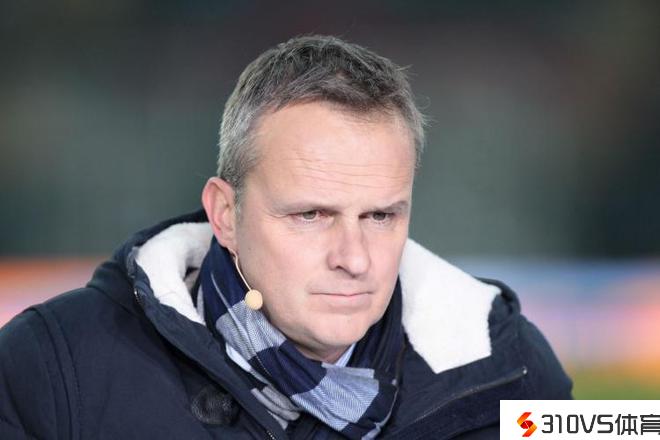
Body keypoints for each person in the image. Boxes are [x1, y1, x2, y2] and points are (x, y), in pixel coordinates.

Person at [0, 35, 571, 439]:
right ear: (226, 215)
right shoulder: (51, 368)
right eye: (311, 215)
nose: (354, 259)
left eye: (380, 216)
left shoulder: (513, 371)